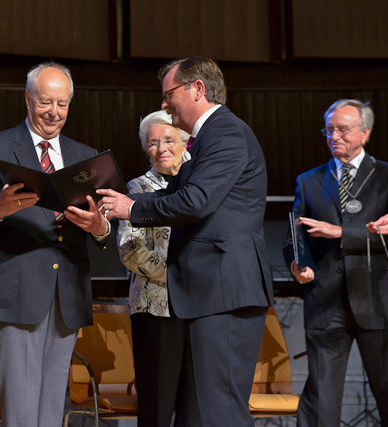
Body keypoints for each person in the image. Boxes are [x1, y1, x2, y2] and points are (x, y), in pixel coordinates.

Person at [98, 56, 274, 427]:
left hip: (223, 291)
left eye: (168, 94)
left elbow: (195, 201)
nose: (164, 105)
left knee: (219, 411)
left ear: (198, 89)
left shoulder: (225, 132)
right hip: (209, 292)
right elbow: (176, 197)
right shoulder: (208, 137)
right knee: (202, 413)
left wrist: (131, 207)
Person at [0, 62, 110, 427]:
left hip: (67, 295)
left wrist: (100, 226)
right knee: (22, 411)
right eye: (46, 102)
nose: (54, 112)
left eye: (62, 104)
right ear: (28, 100)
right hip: (17, 292)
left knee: (51, 412)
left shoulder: (85, 157)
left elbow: (106, 227)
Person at [283, 99, 388, 427]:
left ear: (365, 132)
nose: (334, 136)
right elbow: (295, 237)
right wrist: (296, 263)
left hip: (379, 300)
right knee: (320, 401)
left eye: (343, 129)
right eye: (329, 130)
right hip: (326, 301)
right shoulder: (308, 180)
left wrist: (340, 232)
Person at [116, 109, 191, 426]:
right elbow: (129, 249)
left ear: (186, 143)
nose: (161, 148)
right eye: (153, 143)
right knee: (157, 405)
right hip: (155, 306)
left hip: (202, 307)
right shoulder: (138, 188)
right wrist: (176, 277)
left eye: (169, 140)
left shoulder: (202, 182)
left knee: (196, 402)